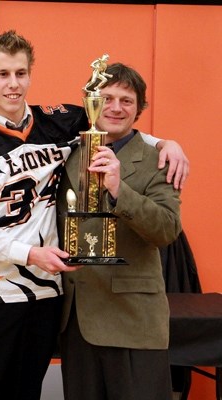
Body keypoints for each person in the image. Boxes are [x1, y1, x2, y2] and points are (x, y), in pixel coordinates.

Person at [0, 31, 188, 400]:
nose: (13, 84)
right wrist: (31, 254)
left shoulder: (57, 123)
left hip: (45, 296)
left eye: (21, 73)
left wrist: (166, 142)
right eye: (3, 74)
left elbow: (113, 125)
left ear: (31, 74)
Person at [57, 63, 181, 400]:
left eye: (126, 100)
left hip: (133, 322)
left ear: (139, 109)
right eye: (106, 98)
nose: (114, 108)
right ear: (91, 103)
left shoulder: (159, 160)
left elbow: (167, 229)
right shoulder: (66, 152)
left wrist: (119, 190)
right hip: (77, 322)